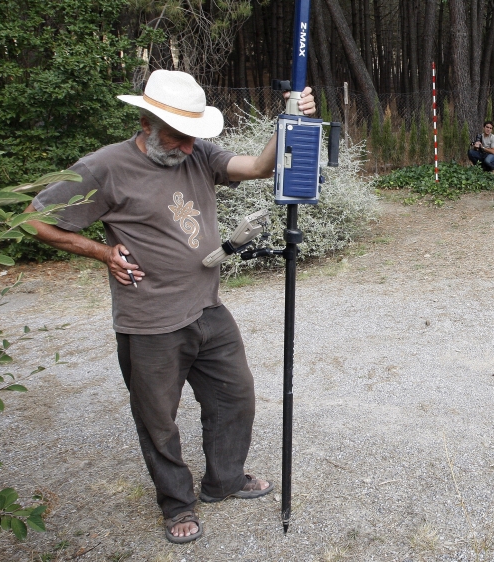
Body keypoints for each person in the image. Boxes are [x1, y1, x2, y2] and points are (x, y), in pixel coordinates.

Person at [24, 69, 317, 544]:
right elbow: (36, 220)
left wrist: (286, 123)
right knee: (158, 420)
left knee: (235, 396)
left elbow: (257, 167)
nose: (187, 149)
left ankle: (224, 480)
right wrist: (103, 252)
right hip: (150, 322)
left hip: (207, 308)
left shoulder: (197, 151)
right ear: (146, 123)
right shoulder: (104, 168)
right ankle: (178, 504)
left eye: (192, 138)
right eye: (180, 138)